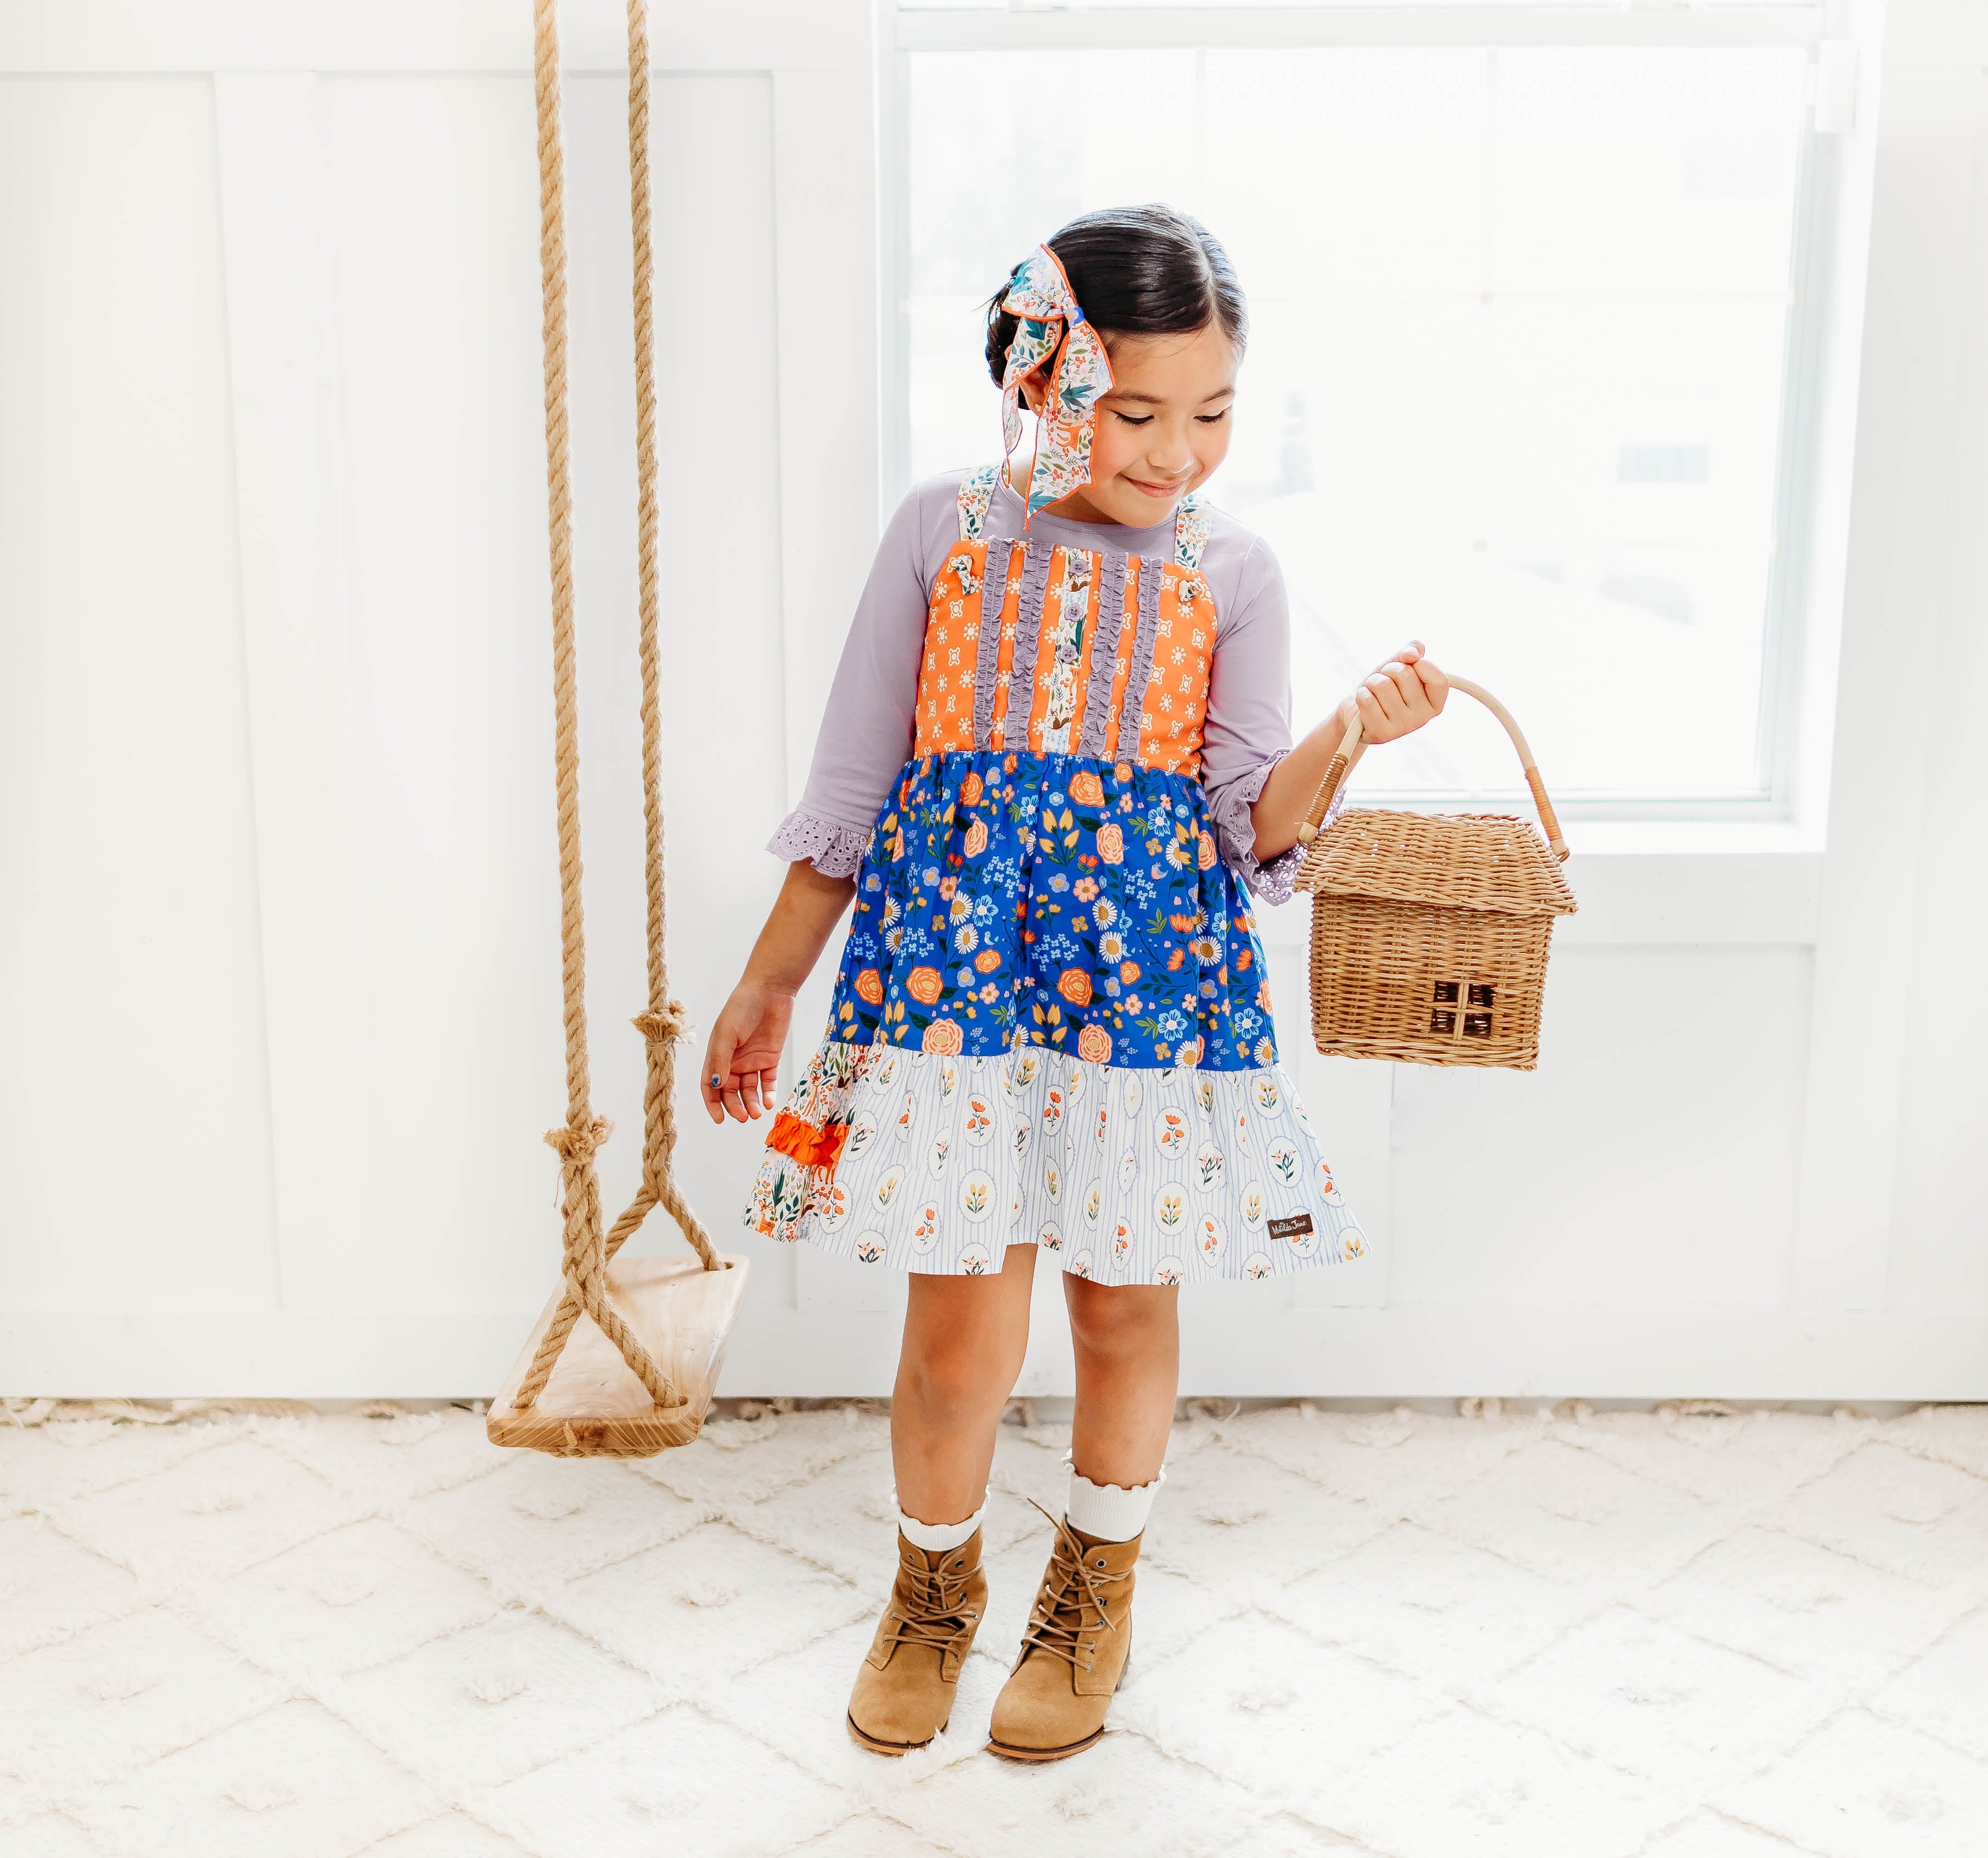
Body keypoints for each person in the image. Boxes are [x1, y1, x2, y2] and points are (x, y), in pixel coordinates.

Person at [700, 205, 1446, 1763]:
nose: (1177, 453)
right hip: (949, 993)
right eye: (1139, 413)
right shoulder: (943, 529)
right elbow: (851, 790)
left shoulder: (1232, 570)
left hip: (1150, 994)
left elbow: (1252, 821)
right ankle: (930, 1586)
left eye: (1215, 414)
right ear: (1048, 381)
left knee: (1120, 1304)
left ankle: (1094, 1585)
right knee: (959, 1328)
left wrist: (1353, 734)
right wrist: (772, 979)